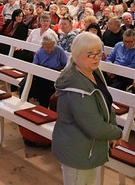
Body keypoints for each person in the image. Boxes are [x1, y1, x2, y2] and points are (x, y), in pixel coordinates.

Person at [52, 32, 122, 184]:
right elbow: (94, 127)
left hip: (89, 148)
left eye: (99, 52)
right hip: (77, 151)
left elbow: (106, 102)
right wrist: (117, 133)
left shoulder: (94, 71)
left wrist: (113, 127)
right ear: (76, 54)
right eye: (90, 54)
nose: (96, 57)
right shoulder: (75, 86)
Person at [27, 34, 68, 107]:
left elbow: (66, 64)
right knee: (26, 83)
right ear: (43, 45)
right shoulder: (39, 52)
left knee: (45, 88)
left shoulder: (59, 50)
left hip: (56, 73)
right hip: (42, 73)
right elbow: (35, 66)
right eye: (47, 47)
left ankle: (43, 106)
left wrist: (63, 70)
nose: (49, 49)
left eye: (51, 47)